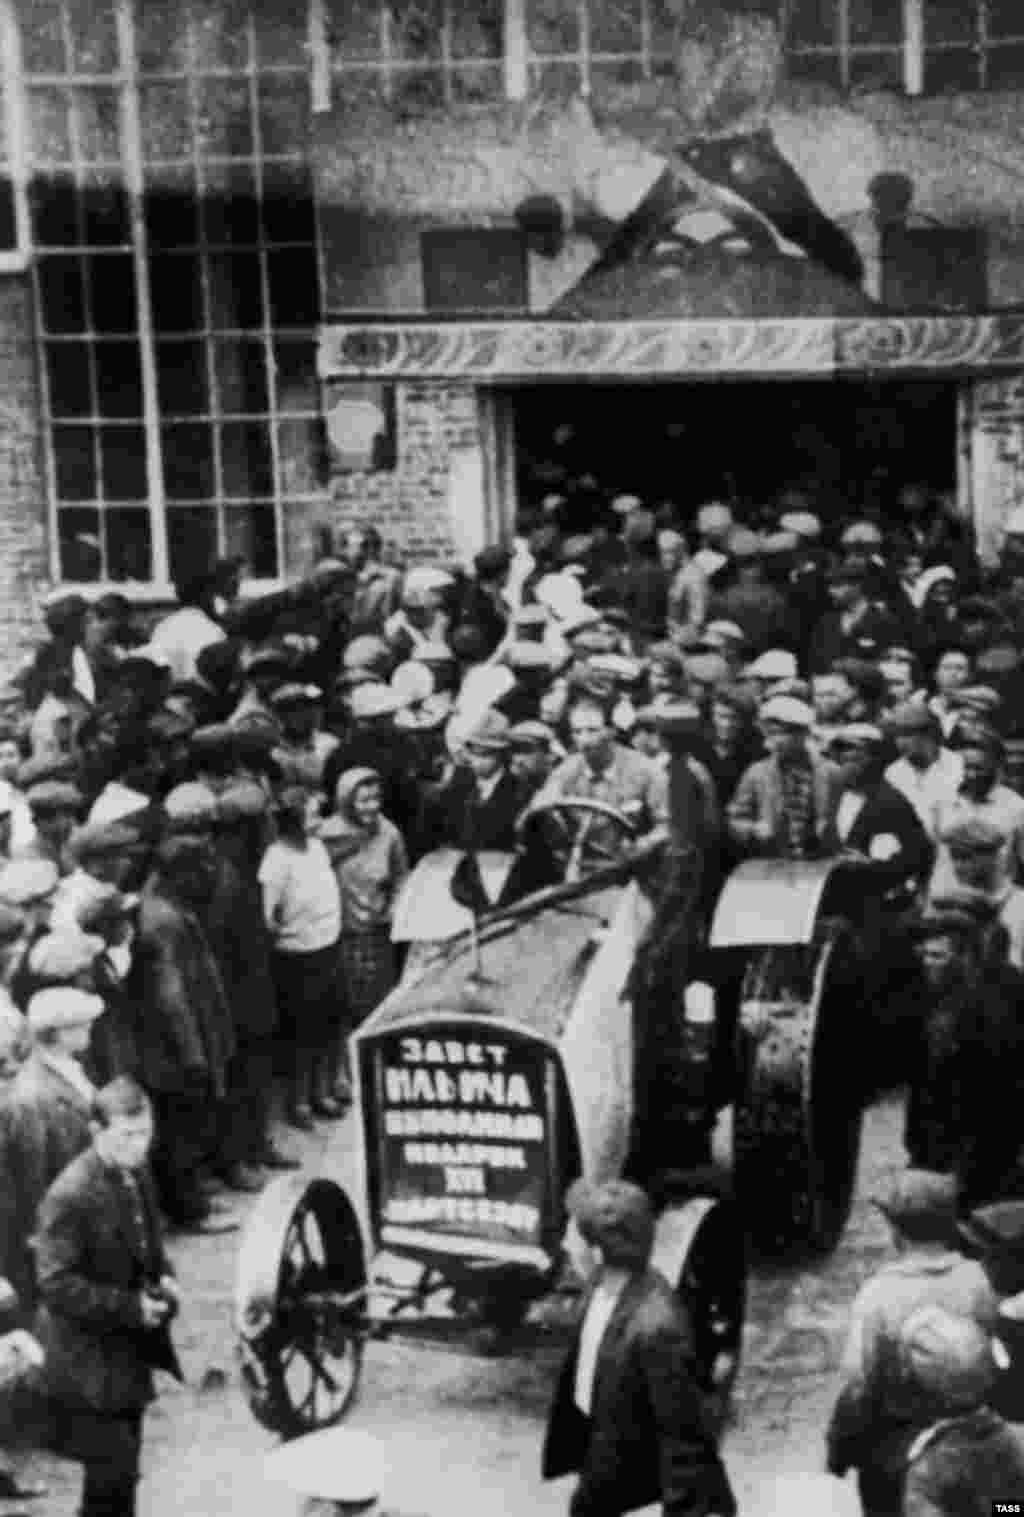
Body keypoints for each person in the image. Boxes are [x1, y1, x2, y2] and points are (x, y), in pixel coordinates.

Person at [542, 1177, 736, 1517]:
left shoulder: (657, 1325)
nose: (565, 1244)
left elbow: (684, 1435)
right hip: (602, 1440)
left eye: (575, 1237)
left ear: (599, 1250)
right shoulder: (601, 1284)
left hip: (628, 1454)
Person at [34, 1076, 183, 1517]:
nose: (140, 1146)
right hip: (88, 1366)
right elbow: (55, 1284)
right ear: (96, 1132)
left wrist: (166, 1277)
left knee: (119, 1477)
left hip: (125, 1356)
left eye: (146, 1133)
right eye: (128, 1135)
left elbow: (149, 1244)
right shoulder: (70, 1195)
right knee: (111, 1478)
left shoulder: (136, 1173)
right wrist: (131, 1307)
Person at [826, 1170, 999, 1517]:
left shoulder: (878, 1295)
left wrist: (839, 1450)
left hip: (894, 1453)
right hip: (973, 1438)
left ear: (897, 1231)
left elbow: (859, 1383)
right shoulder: (976, 1279)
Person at [904, 904, 1024, 1209]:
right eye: (924, 955)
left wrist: (964, 1172)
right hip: (940, 1155)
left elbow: (997, 1099)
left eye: (937, 956)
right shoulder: (932, 1003)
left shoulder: (994, 1006)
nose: (927, 964)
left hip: (985, 1162)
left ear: (965, 957)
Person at [0, 987, 103, 1319]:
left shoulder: (69, 1068)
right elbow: (33, 1174)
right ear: (58, 1033)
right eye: (82, 1024)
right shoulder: (31, 1096)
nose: (90, 1028)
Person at [259, 785, 342, 1130]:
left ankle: (323, 1092)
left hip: (328, 946)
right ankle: (300, 1100)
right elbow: (268, 915)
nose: (319, 820)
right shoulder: (277, 859)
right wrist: (291, 932)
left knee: (328, 1026)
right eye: (312, 815)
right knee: (302, 1034)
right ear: (293, 822)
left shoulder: (318, 848)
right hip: (298, 957)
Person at [532, 694, 670, 867]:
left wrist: (642, 845)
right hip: (579, 864)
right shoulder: (566, 770)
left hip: (632, 866)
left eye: (592, 730)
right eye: (577, 732)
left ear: (611, 731)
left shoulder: (646, 771)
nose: (584, 740)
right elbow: (543, 804)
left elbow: (667, 826)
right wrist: (544, 806)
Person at [324, 768, 408, 1044]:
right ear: (346, 801)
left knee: (378, 1004)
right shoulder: (326, 835)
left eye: (376, 799)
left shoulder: (389, 833)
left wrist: (393, 909)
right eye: (363, 800)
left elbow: (401, 877)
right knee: (344, 1007)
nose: (372, 807)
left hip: (376, 933)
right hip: (339, 936)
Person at [727, 695, 843, 860]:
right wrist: (753, 830)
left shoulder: (831, 772)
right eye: (771, 734)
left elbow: (844, 820)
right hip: (772, 861)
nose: (777, 741)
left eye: (783, 733)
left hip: (819, 861)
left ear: (803, 734)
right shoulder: (757, 773)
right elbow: (735, 818)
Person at [884, 704, 963, 839]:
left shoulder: (958, 765)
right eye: (897, 735)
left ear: (928, 734)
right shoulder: (893, 773)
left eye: (907, 734)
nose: (900, 742)